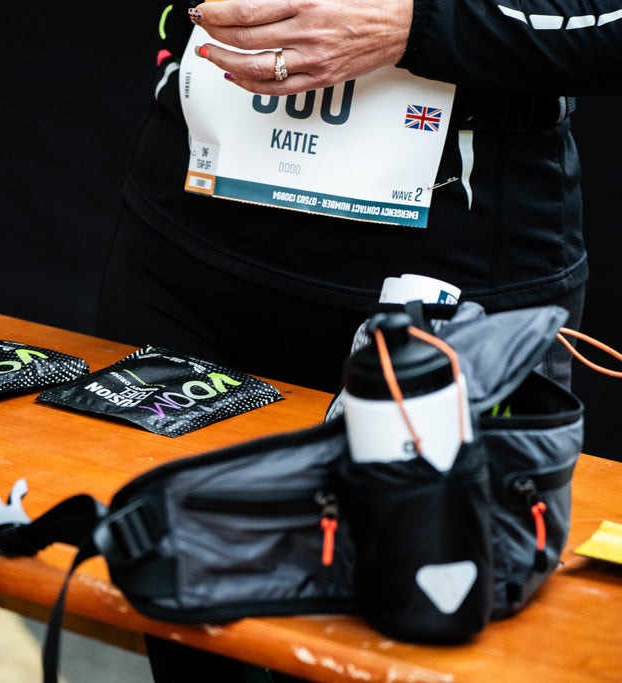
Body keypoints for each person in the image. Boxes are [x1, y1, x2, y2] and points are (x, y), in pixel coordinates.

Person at [97, 0, 622, 680]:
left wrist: (417, 25)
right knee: (190, 619)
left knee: (423, 633)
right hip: (187, 251)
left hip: (447, 288)